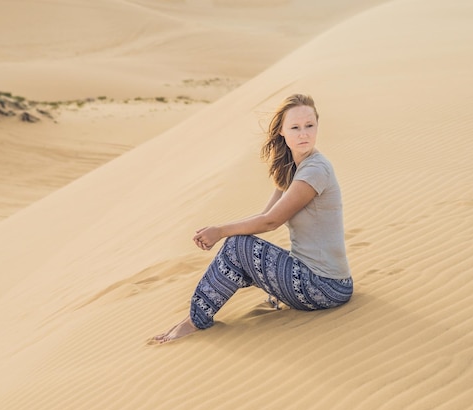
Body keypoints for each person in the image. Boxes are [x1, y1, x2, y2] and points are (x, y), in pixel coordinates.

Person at [151, 94, 353, 344]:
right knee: (239, 248)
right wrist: (222, 231)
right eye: (295, 127)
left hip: (326, 287)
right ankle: (194, 317)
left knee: (237, 247)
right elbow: (263, 216)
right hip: (313, 279)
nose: (304, 134)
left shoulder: (315, 171)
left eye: (309, 126)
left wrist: (221, 231)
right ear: (282, 131)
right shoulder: (293, 168)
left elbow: (271, 222)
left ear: (317, 126)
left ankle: (193, 321)